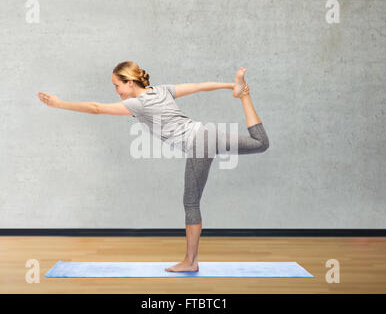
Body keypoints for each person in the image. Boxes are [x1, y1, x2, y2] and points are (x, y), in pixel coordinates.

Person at [37, 61, 269, 272]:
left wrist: (60, 104)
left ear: (129, 82)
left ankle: (190, 262)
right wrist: (231, 85)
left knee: (190, 202)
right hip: (206, 131)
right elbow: (199, 86)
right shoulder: (161, 90)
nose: (116, 91)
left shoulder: (137, 104)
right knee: (260, 143)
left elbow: (96, 108)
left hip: (199, 142)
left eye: (117, 86)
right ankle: (245, 97)